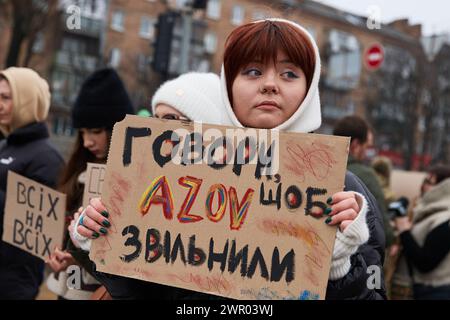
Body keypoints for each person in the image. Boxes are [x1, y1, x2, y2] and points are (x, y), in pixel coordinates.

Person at [73, 19, 387, 299]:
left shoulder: (344, 191)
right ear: (228, 86)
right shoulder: (178, 176)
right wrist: (102, 245)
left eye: (289, 73)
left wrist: (339, 268)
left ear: (308, 89)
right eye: (252, 71)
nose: (269, 84)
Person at [45, 68, 135, 300]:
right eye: (82, 132)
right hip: (69, 287)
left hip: (102, 291)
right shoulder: (77, 168)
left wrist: (81, 255)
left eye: (95, 131)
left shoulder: (134, 178)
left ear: (117, 128)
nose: (86, 141)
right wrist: (61, 253)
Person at [0, 67, 64, 299]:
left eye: (6, 97)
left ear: (26, 101)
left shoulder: (47, 158)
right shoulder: (6, 146)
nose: (0, 104)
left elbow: (38, 228)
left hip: (13, 283)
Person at [333, 116, 394, 250]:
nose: (367, 153)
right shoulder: (365, 175)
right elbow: (381, 226)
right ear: (355, 145)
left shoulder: (318, 167)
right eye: (367, 146)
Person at [393, 165, 450, 299]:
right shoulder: (428, 213)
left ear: (443, 189)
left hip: (436, 292)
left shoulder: (445, 218)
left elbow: (426, 262)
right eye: (424, 181)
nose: (423, 186)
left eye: (429, 183)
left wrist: (405, 232)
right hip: (423, 290)